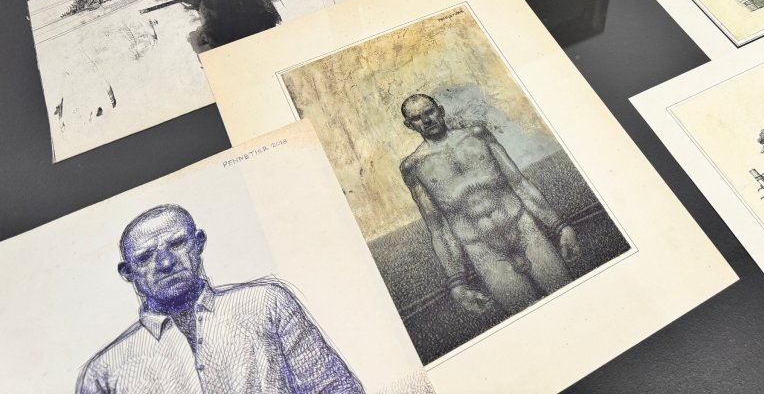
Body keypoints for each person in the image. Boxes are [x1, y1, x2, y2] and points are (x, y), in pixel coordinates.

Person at [77, 205, 363, 394]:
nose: (165, 263)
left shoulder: (266, 303)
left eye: (177, 243)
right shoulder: (105, 372)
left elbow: (335, 388)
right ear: (127, 273)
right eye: (145, 257)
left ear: (199, 242)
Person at [399, 94, 580, 316]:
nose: (426, 120)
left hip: (524, 231)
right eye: (417, 118)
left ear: (441, 111)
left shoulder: (477, 135)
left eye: (429, 112)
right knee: (526, 316)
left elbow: (519, 184)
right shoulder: (414, 167)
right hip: (483, 252)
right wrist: (457, 283)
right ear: (409, 125)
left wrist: (561, 226)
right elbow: (438, 229)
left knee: (570, 298)